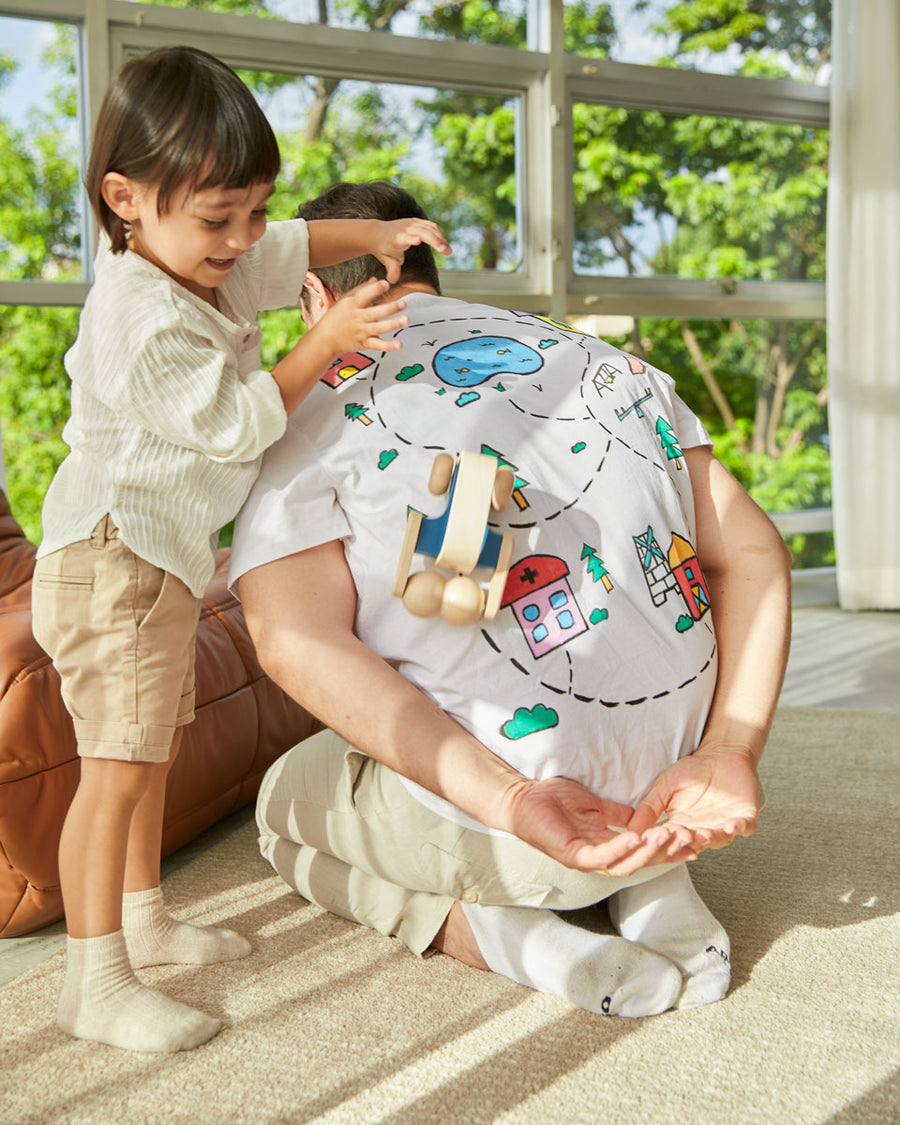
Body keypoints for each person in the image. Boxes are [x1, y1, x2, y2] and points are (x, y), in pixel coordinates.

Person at [230, 182, 792, 1018]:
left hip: (528, 823)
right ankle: (651, 883)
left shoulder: (308, 399)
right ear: (425, 265)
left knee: (280, 805)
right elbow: (756, 555)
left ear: (312, 292)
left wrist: (513, 798)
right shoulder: (614, 365)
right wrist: (732, 748)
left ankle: (502, 932)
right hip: (681, 792)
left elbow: (292, 641)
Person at [31, 56, 451, 1055]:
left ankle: (141, 918)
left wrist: (379, 236)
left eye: (254, 212)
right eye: (221, 218)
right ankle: (94, 983)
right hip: (113, 564)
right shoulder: (140, 314)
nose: (244, 240)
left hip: (154, 562)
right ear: (125, 201)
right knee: (116, 771)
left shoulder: (209, 263)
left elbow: (299, 243)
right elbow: (239, 425)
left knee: (148, 751)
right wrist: (328, 340)